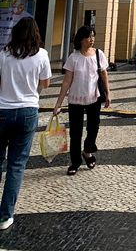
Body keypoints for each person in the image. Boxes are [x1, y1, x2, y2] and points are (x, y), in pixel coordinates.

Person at [0, 17, 51, 230]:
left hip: (2, 110)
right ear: (36, 34)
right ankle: (5, 216)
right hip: (28, 110)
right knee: (16, 165)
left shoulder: (3, 54)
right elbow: (46, 83)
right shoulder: (42, 55)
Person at [53, 25, 111, 176]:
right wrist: (58, 103)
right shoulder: (74, 58)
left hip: (94, 97)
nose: (91, 39)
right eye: (88, 37)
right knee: (76, 132)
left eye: (93, 36)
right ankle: (75, 162)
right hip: (75, 99)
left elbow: (104, 74)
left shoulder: (99, 54)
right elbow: (66, 82)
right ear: (81, 39)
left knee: (94, 127)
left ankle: (87, 151)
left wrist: (108, 93)